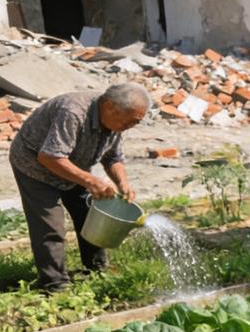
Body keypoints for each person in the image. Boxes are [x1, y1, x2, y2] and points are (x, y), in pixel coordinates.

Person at [8, 83, 148, 291]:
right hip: (35, 166)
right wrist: (90, 181)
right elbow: (49, 157)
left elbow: (113, 157)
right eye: (130, 121)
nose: (131, 126)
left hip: (71, 164)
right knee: (50, 226)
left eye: (135, 122)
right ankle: (54, 283)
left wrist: (122, 183)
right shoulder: (72, 112)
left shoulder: (115, 120)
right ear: (109, 106)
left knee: (89, 213)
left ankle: (96, 269)